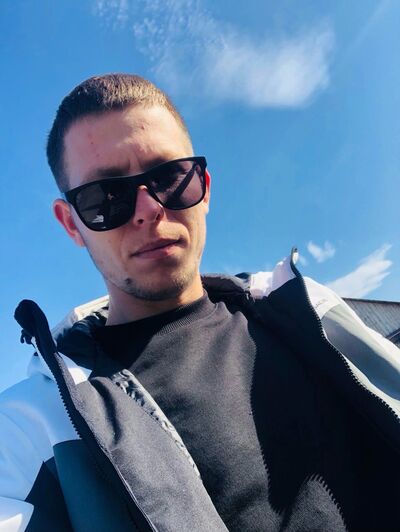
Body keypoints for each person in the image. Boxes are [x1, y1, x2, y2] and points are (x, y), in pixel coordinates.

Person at [1, 73, 400, 532]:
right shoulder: (35, 429)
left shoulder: (311, 313)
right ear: (71, 223)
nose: (149, 209)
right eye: (105, 197)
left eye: (169, 177)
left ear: (204, 185)